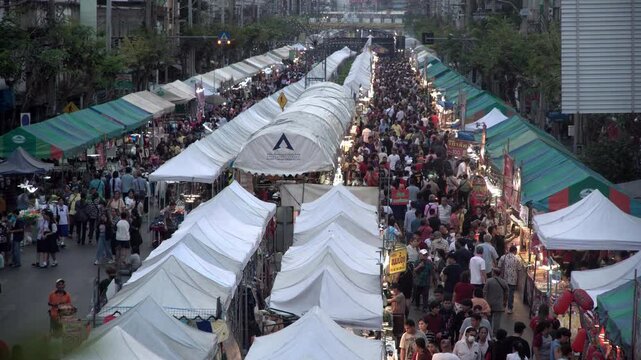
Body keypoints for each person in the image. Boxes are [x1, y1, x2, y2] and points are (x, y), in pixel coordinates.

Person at [498, 245, 520, 314]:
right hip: (513, 279)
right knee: (511, 294)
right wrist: (518, 280)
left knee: (503, 292)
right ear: (515, 251)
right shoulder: (517, 259)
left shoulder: (503, 257)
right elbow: (519, 270)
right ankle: (510, 308)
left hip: (504, 278)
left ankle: (502, 306)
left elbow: (499, 266)